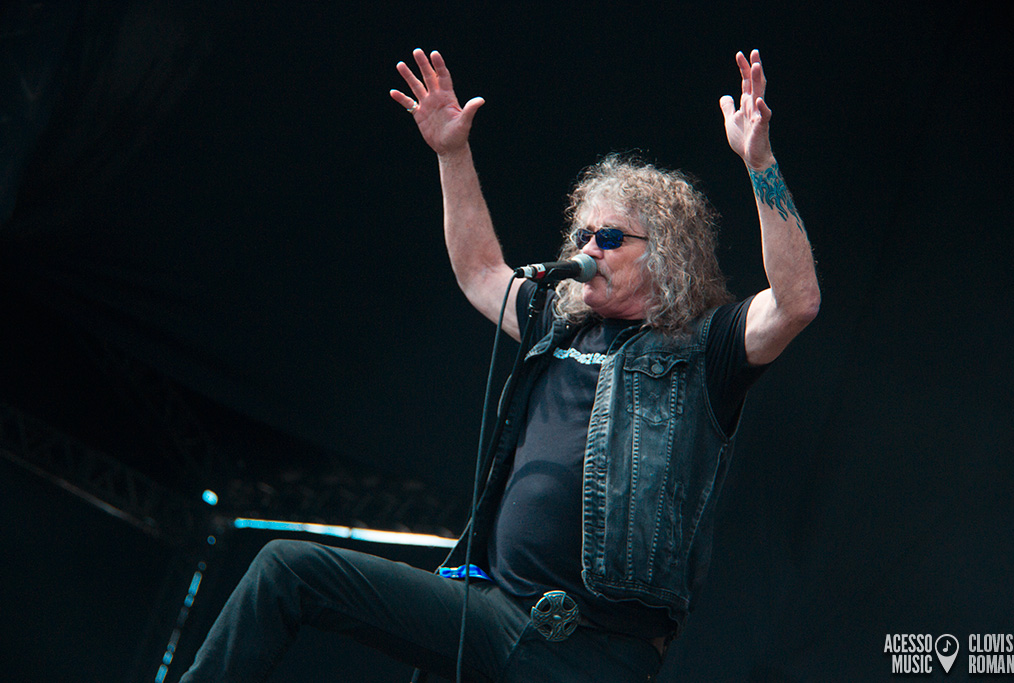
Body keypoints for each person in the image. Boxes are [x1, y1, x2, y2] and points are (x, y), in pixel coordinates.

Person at [178, 48, 818, 683]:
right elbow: (481, 270)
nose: (589, 249)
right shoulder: (555, 323)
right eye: (583, 235)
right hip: (488, 613)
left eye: (610, 238)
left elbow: (796, 302)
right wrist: (451, 154)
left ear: (666, 253)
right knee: (287, 569)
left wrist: (759, 164)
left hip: (594, 654)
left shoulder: (705, 349)